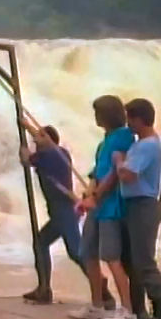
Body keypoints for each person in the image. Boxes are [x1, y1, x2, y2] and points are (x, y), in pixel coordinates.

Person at [19, 120, 116, 307]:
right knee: (41, 242)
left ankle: (103, 290)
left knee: (76, 252)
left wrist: (24, 152)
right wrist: (26, 125)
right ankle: (44, 289)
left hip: (64, 210)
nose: (35, 140)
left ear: (50, 140)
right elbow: (39, 144)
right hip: (60, 211)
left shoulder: (50, 155)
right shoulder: (58, 153)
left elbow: (27, 160)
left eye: (40, 137)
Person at [68, 95, 135, 319]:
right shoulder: (103, 142)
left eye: (98, 113)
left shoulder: (124, 137)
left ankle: (127, 310)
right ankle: (97, 305)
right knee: (87, 252)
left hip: (112, 207)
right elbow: (96, 174)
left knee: (111, 256)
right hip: (98, 206)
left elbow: (115, 174)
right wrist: (88, 196)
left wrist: (96, 196)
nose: (95, 117)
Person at [108, 98, 161, 319]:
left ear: (140, 120)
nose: (128, 124)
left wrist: (118, 162)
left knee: (144, 261)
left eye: (131, 119)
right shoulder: (143, 144)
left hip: (143, 205)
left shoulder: (147, 145)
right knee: (134, 260)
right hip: (135, 205)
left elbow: (128, 176)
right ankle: (139, 312)